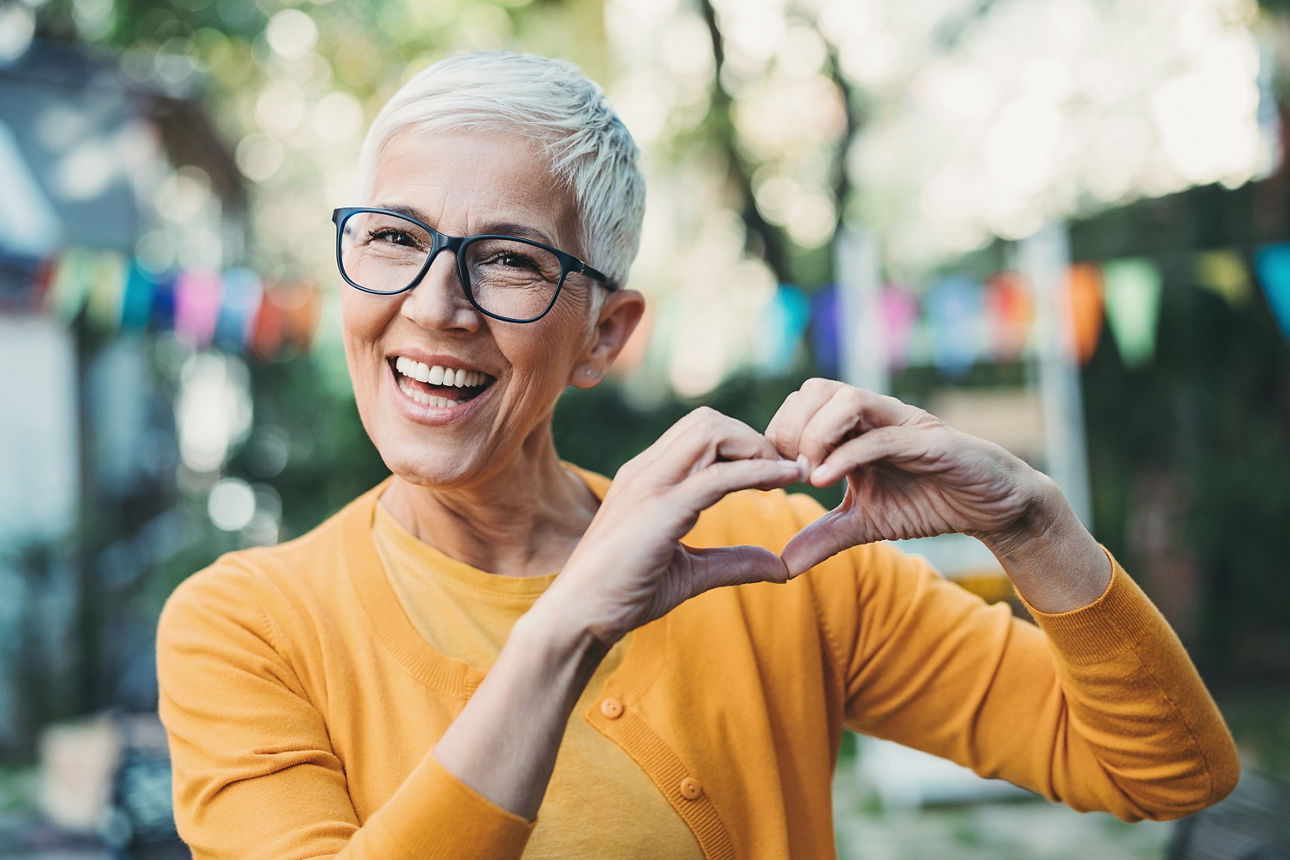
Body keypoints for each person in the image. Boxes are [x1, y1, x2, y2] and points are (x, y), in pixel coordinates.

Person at [157, 51, 1239, 859]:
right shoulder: (245, 626)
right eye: (393, 238)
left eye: (509, 259)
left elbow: (1169, 767)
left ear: (608, 334)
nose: (436, 306)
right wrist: (566, 626)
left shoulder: (780, 554)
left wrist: (1034, 523)